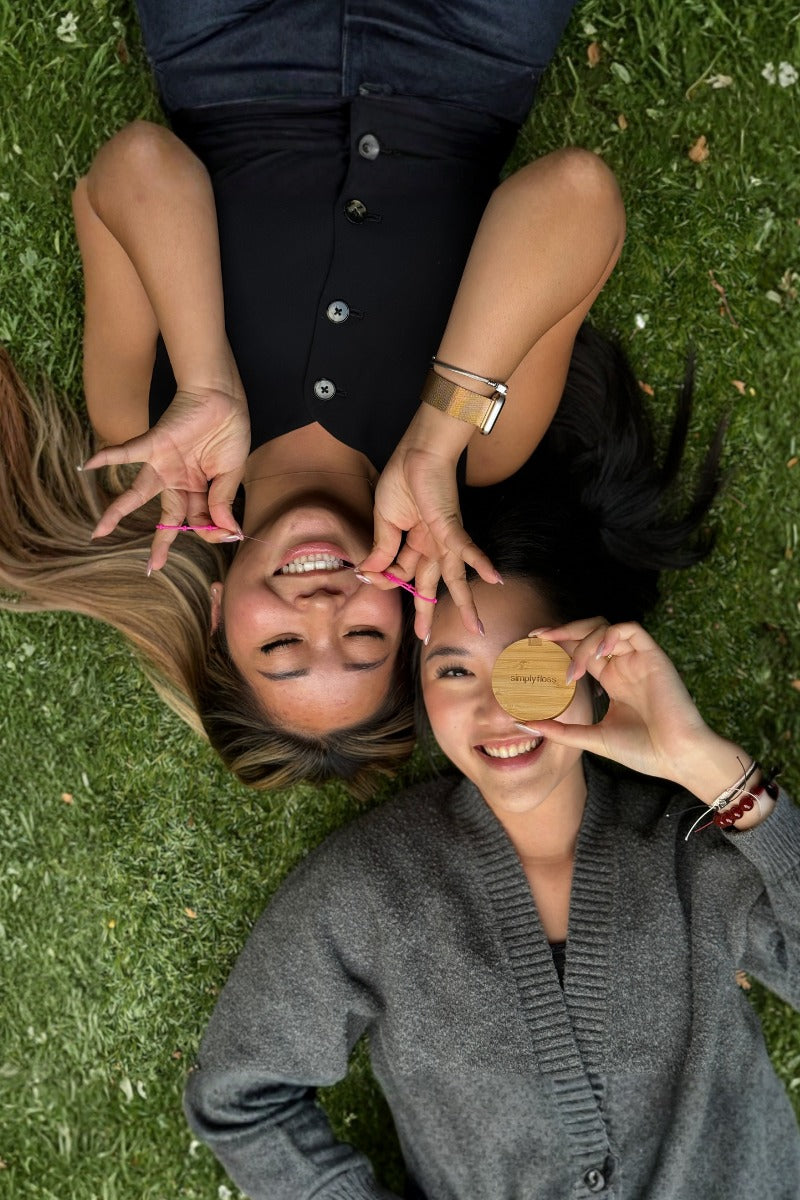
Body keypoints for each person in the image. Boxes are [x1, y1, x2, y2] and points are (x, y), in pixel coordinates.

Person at [181, 362, 800, 1198]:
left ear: (596, 667)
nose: (499, 711)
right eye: (453, 671)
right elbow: (238, 1095)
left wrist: (708, 766)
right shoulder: (371, 893)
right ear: (419, 690)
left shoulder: (697, 858)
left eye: (530, 667)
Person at [0, 1, 631, 794]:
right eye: (363, 640)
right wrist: (433, 438)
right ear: (409, 615)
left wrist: (204, 379)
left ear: (217, 615)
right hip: (471, 55)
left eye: (281, 648)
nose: (323, 608)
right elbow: (579, 192)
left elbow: (133, 163)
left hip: (226, 47)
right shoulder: (482, 450)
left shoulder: (144, 426)